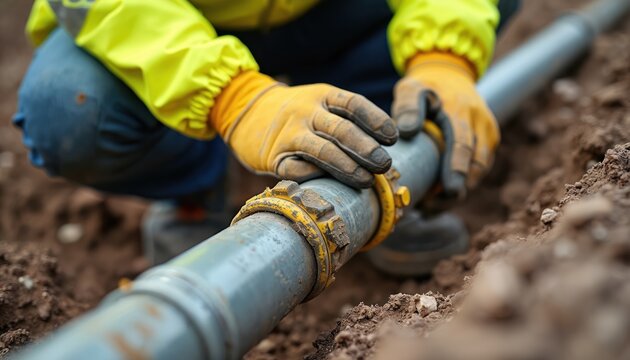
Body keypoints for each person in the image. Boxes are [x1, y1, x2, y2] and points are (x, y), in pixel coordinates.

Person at [15, 0, 518, 267]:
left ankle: (375, 159)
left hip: (334, 11)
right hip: (177, 21)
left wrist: (441, 56)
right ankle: (196, 183)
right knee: (70, 110)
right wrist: (233, 96)